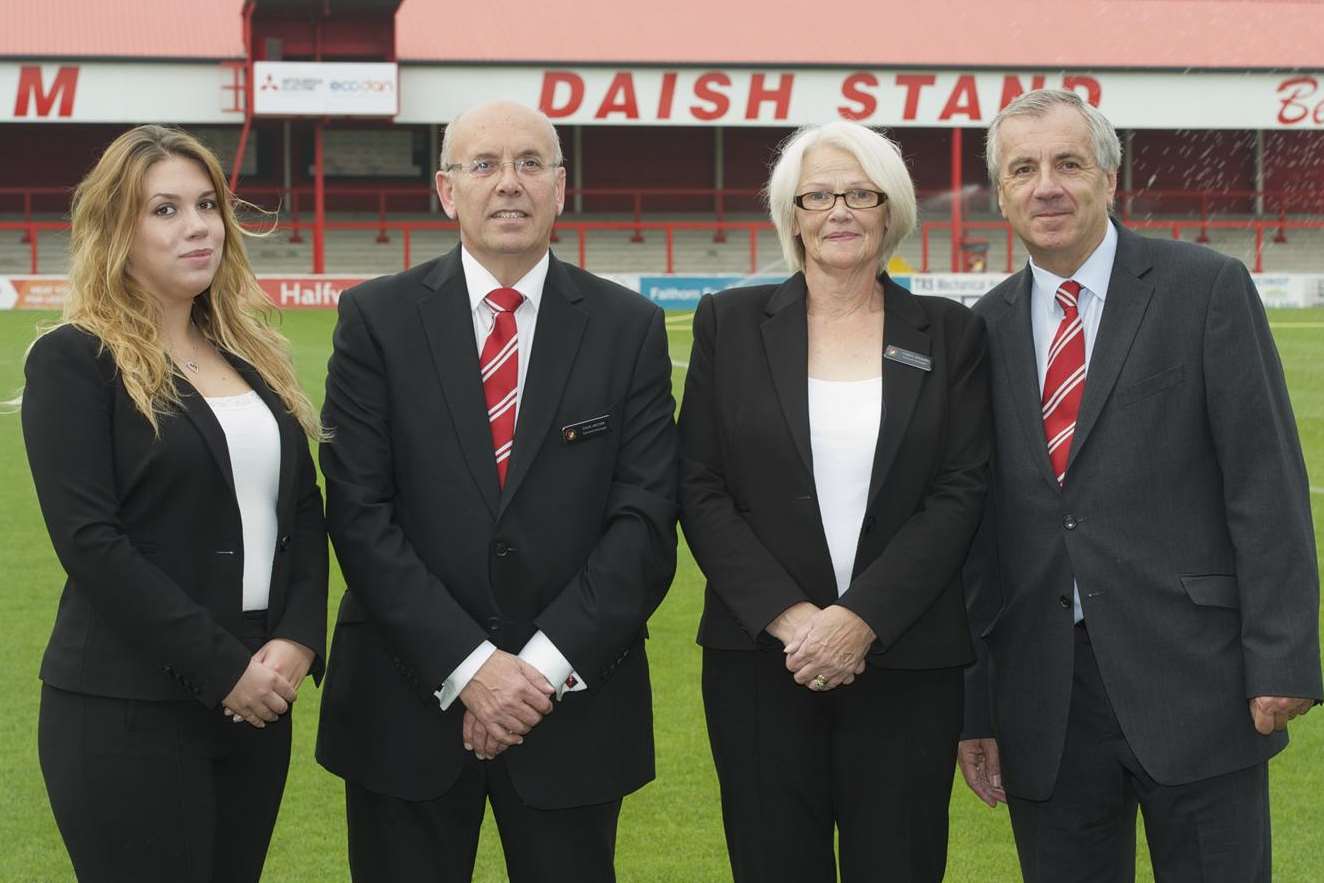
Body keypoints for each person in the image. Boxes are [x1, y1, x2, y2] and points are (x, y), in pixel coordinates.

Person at [959, 89, 1323, 882]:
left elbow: (1265, 483)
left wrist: (1283, 656)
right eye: (1022, 168)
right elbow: (975, 534)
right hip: (1045, 698)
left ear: (1110, 178)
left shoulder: (1205, 288)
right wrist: (976, 704)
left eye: (1067, 162)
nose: (1046, 185)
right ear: (1003, 193)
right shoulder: (979, 330)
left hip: (1198, 679)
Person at [314, 100, 678, 883]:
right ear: (447, 191)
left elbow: (645, 522)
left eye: (529, 164)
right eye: (484, 165)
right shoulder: (374, 320)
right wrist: (471, 666)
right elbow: (359, 513)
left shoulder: (630, 328)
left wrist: (535, 671)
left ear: (561, 186)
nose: (508, 184)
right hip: (404, 708)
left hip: (573, 713)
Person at [678, 120, 991, 882]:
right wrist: (795, 622)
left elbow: (960, 491)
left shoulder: (950, 332)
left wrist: (859, 620)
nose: (839, 210)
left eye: (860, 193)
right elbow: (699, 485)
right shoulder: (730, 322)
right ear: (792, 214)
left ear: (892, 211)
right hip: (760, 664)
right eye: (818, 194)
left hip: (907, 663)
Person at [20, 125, 328, 882]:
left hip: (258, 700)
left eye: (206, 204)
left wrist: (296, 638)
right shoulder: (73, 359)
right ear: (116, 230)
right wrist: (225, 666)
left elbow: (306, 509)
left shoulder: (252, 357)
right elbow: (91, 542)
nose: (196, 226)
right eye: (163, 209)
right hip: (128, 706)